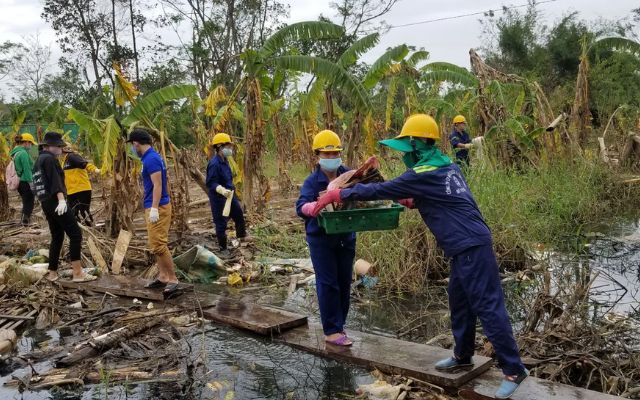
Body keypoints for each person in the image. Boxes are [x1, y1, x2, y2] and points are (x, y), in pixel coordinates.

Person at [310, 115, 527, 398]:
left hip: (470, 245)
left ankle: (514, 369)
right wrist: (415, 199)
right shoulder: (446, 165)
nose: (403, 155)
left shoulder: (422, 172)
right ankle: (463, 355)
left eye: (406, 148)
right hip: (464, 246)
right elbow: (445, 196)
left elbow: (380, 189)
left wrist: (337, 194)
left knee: (488, 306)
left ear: (416, 144)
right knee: (459, 301)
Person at [296, 130, 356, 347]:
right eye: (326, 154)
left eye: (335, 154)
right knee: (328, 282)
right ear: (317, 156)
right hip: (321, 239)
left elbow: (365, 191)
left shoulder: (349, 175)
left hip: (345, 236)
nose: (331, 158)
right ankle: (331, 331)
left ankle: (340, 325)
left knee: (344, 282)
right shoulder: (313, 182)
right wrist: (311, 207)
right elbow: (299, 207)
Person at [32, 132, 96, 283]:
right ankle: (78, 273)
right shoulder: (50, 159)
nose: (61, 147)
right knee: (75, 234)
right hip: (56, 202)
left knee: (57, 236)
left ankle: (52, 273)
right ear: (47, 146)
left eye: (61, 145)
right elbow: (55, 182)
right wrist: (61, 200)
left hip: (46, 202)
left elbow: (36, 185)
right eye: (58, 145)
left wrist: (44, 202)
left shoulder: (38, 160)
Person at [127, 128, 180, 295]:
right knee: (155, 245)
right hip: (152, 204)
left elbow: (158, 185)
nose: (132, 149)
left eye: (132, 145)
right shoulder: (149, 158)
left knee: (159, 245)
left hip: (158, 206)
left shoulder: (151, 160)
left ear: (136, 143)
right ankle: (163, 276)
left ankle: (172, 278)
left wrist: (155, 208)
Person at [205, 133, 250, 258]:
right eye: (228, 146)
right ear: (220, 146)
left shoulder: (225, 161)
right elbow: (211, 182)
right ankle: (223, 248)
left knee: (239, 215)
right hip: (219, 198)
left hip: (230, 196)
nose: (230, 149)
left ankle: (241, 236)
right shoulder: (214, 164)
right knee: (221, 224)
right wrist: (221, 190)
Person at [60, 144, 100, 225]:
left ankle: (91, 228)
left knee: (83, 212)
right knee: (73, 213)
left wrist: (95, 170)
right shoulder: (64, 161)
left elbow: (84, 164)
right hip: (71, 191)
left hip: (81, 189)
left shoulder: (72, 156)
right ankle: (80, 229)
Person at [10, 133, 37, 226]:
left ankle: (23, 220)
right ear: (25, 142)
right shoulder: (23, 153)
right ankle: (26, 221)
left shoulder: (15, 152)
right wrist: (31, 183)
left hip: (20, 182)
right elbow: (27, 169)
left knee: (25, 201)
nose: (31, 146)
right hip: (25, 181)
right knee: (29, 201)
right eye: (30, 143)